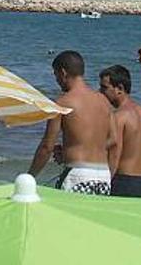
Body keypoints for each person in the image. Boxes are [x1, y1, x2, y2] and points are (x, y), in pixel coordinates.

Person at [27, 51, 113, 195]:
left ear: (63, 72)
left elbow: (46, 147)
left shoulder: (63, 103)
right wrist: (70, 149)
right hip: (104, 175)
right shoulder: (104, 101)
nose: (56, 80)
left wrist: (29, 177)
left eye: (55, 75)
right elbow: (112, 140)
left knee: (67, 217)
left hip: (77, 175)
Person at [99, 65, 141, 198]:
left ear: (120, 89)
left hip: (125, 182)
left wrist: (106, 185)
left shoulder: (119, 116)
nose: (100, 92)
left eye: (104, 87)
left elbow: (114, 155)